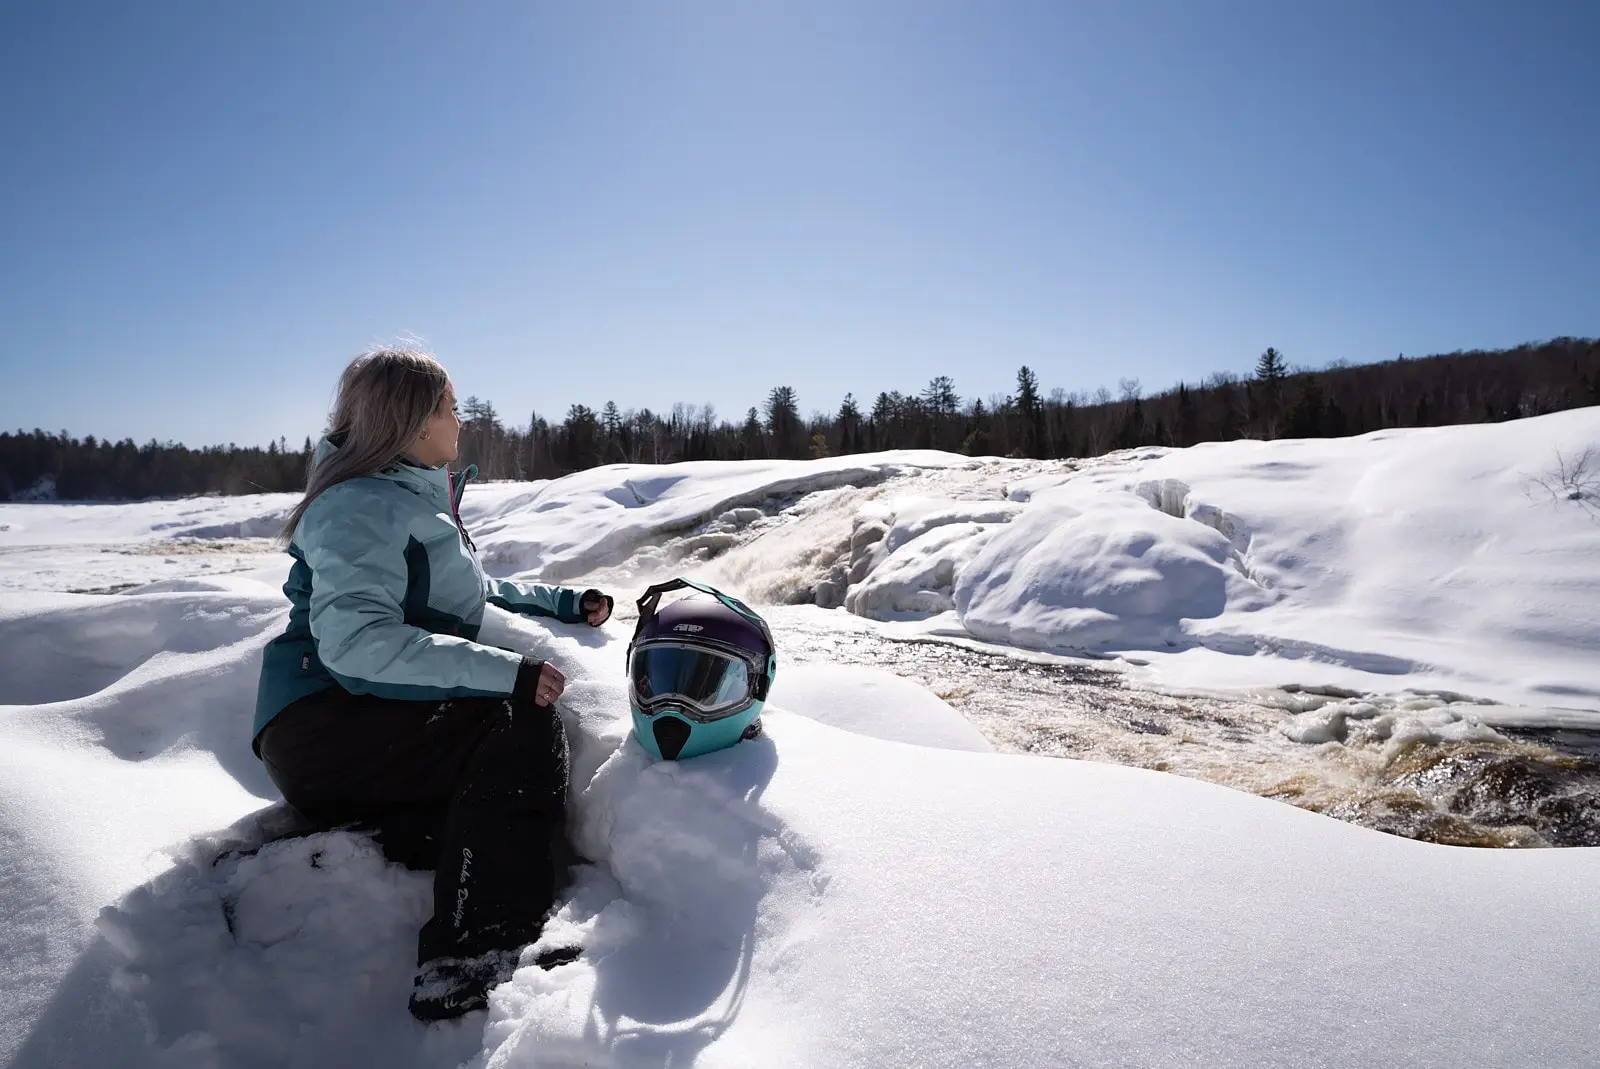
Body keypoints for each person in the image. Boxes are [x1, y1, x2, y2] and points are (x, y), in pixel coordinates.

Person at [250, 347, 613, 1021]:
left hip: (349, 719)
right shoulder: (360, 505)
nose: (460, 418)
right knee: (518, 725)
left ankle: (352, 848)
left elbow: (472, 590)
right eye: (450, 405)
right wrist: (508, 673)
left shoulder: (408, 495)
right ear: (414, 420)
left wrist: (562, 604)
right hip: (323, 717)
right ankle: (470, 955)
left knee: (477, 792)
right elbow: (358, 645)